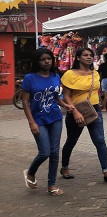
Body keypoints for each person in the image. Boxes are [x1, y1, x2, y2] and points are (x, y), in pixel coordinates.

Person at [60, 48, 107, 182]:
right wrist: (74, 111)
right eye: (85, 55)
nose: (89, 57)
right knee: (71, 141)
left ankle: (106, 171)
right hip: (76, 110)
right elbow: (66, 96)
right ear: (78, 58)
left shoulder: (95, 74)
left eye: (90, 55)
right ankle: (64, 167)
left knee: (100, 140)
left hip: (94, 110)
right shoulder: (70, 74)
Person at [22, 48, 75, 196]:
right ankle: (31, 171)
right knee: (44, 152)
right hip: (38, 119)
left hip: (55, 118)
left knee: (54, 152)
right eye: (43, 59)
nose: (47, 61)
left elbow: (55, 96)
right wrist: (31, 122)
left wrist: (64, 105)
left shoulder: (55, 76)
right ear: (37, 61)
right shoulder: (30, 78)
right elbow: (25, 102)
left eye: (49, 59)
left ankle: (51, 185)